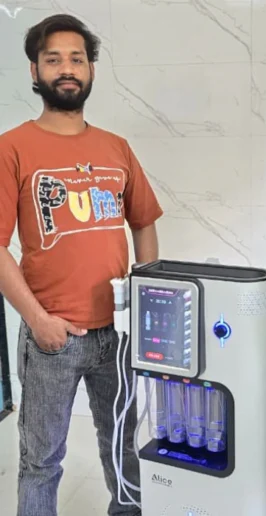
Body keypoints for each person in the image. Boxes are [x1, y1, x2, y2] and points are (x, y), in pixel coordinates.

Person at [0, 14, 163, 516]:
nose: (67, 68)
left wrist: (144, 303)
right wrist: (38, 320)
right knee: (41, 461)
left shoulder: (116, 147)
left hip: (119, 334)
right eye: (54, 59)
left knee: (125, 446)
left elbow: (144, 223)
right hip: (53, 337)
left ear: (90, 69)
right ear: (35, 71)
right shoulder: (11, 147)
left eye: (77, 58)